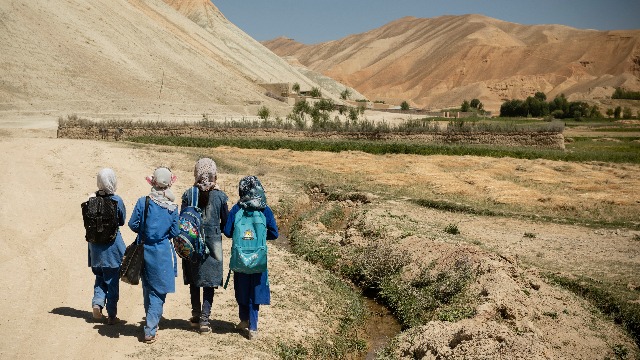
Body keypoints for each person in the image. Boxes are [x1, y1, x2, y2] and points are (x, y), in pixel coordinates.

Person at [128, 167, 180, 344]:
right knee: (158, 293)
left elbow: (133, 224)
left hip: (143, 250)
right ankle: (150, 330)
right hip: (162, 253)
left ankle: (151, 322)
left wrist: (145, 230)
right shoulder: (172, 208)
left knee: (148, 288)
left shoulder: (143, 202)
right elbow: (175, 231)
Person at [223, 176, 279, 340]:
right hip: (258, 257)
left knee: (241, 288)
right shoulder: (265, 209)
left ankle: (243, 319)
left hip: (240, 257)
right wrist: (259, 239)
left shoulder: (237, 208)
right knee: (256, 288)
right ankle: (253, 327)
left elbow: (227, 232)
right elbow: (275, 234)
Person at [181, 158, 229, 333]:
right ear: (214, 174)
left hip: (193, 242)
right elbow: (226, 224)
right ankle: (204, 319)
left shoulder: (188, 194)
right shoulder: (221, 196)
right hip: (213, 242)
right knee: (209, 281)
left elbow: (182, 219)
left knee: (194, 278)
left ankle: (195, 313)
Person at [87, 168, 126, 325]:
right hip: (112, 249)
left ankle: (97, 302)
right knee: (112, 282)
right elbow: (122, 221)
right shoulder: (117, 200)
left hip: (94, 249)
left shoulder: (91, 199)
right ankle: (111, 314)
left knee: (99, 277)